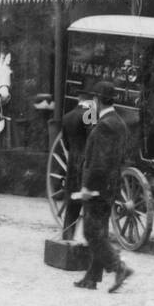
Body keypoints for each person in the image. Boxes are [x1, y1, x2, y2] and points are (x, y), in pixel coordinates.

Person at [72, 81, 135, 293]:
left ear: (97, 101)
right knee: (101, 230)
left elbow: (97, 163)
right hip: (111, 185)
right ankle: (92, 276)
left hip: (98, 187)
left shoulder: (104, 126)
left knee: (92, 232)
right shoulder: (120, 123)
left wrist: (87, 188)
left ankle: (119, 267)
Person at [59, 98, 93, 241]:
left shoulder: (67, 117)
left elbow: (66, 144)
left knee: (72, 205)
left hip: (72, 164)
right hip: (86, 164)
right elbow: (93, 138)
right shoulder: (89, 115)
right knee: (90, 204)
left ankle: (67, 239)